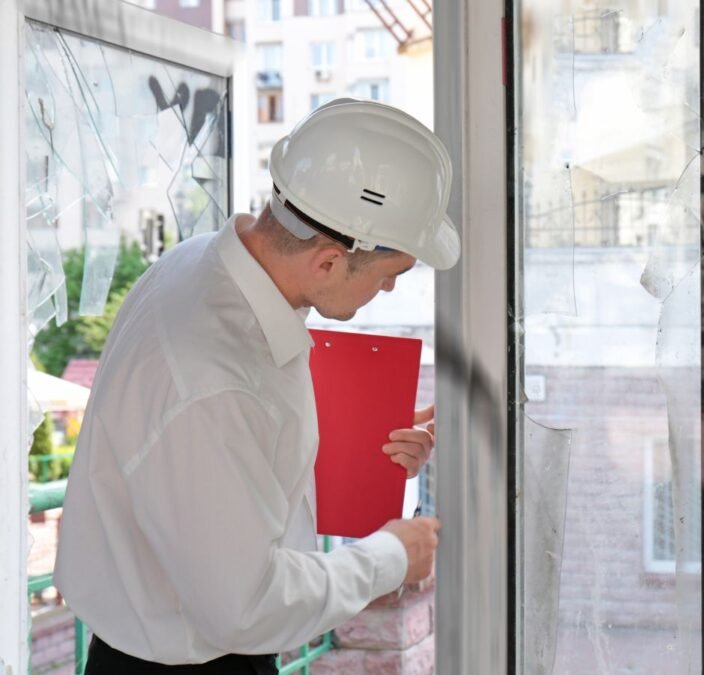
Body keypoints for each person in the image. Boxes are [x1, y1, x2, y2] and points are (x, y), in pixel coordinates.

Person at [53, 98, 460, 673]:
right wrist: (393, 556)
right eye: (390, 275)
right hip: (192, 660)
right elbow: (243, 605)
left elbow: (220, 467)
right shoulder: (212, 378)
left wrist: (363, 444)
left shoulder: (201, 267)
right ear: (326, 262)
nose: (389, 292)